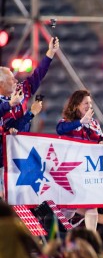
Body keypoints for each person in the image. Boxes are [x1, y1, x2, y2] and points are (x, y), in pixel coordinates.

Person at [0, 37, 59, 199]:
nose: (16, 80)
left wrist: (50, 53)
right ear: (1, 84)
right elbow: (12, 129)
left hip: (22, 154)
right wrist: (30, 113)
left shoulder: (20, 91)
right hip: (4, 160)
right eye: (11, 79)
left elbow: (37, 76)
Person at [56, 89, 103, 230]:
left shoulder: (94, 124)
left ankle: (92, 240)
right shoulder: (67, 122)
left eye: (90, 103)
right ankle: (53, 234)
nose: (89, 106)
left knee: (91, 206)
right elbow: (60, 129)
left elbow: (100, 140)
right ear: (76, 105)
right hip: (70, 174)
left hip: (88, 171)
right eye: (86, 103)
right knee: (67, 210)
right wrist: (81, 122)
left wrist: (101, 144)